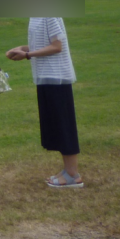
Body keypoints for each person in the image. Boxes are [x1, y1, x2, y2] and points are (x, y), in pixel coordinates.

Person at [6, 17, 82, 188]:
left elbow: (57, 46)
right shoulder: (35, 16)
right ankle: (68, 170)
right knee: (55, 125)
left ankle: (73, 174)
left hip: (57, 76)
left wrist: (27, 55)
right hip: (44, 77)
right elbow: (44, 45)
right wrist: (22, 49)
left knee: (64, 125)